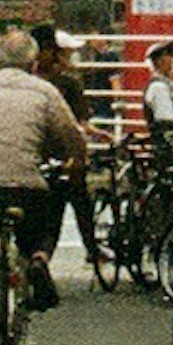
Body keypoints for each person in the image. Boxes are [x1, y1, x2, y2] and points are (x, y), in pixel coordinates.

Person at [0, 31, 87, 317]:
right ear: (33, 64)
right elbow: (72, 135)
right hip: (26, 187)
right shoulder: (45, 91)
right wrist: (76, 163)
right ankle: (37, 258)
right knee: (43, 225)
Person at [33, 27, 107, 280]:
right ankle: (91, 249)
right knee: (79, 203)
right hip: (67, 156)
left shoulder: (27, 82)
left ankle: (41, 255)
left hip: (34, 156)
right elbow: (80, 125)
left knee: (47, 211)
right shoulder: (67, 84)